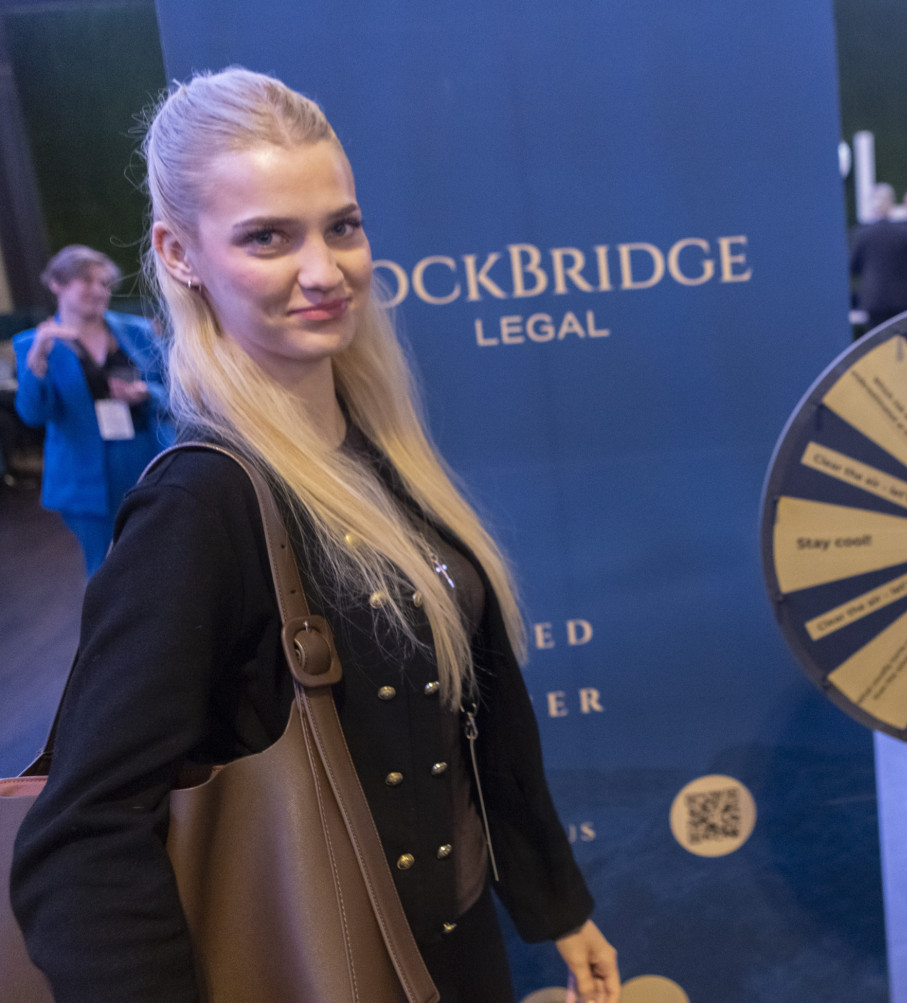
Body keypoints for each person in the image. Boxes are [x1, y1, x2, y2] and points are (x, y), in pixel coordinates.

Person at [10, 68, 618, 1003]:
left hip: (458, 957)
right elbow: (78, 836)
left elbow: (479, 713)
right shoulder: (200, 506)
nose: (325, 269)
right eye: (268, 237)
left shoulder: (383, 457)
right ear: (179, 253)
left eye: (342, 226)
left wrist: (556, 902)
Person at [12, 246, 170, 574]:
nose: (98, 290)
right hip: (83, 473)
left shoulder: (139, 331)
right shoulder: (32, 344)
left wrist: (147, 392)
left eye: (104, 283)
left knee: (161, 558)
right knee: (106, 567)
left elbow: (178, 393)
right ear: (57, 284)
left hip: (148, 458)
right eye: (86, 281)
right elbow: (33, 415)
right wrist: (38, 360)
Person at [849, 183, 907, 336]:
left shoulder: (862, 234)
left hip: (874, 299)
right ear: (891, 204)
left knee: (877, 343)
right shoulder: (906, 233)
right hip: (902, 299)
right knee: (903, 343)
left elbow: (853, 266)